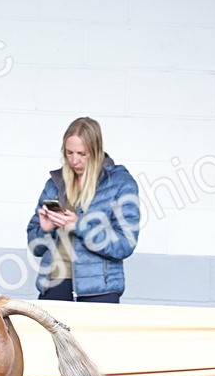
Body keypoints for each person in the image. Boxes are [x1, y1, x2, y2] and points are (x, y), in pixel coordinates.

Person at [26, 117, 140, 303]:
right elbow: (35, 247)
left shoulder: (121, 183)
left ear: (96, 151)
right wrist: (44, 230)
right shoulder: (54, 184)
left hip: (99, 291)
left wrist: (79, 227)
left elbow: (125, 244)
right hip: (54, 285)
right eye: (69, 153)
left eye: (82, 154)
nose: (74, 160)